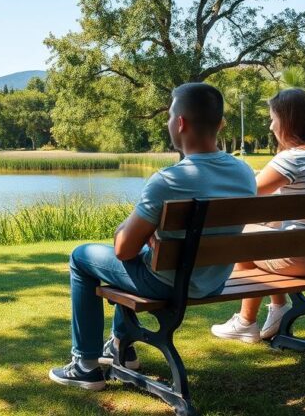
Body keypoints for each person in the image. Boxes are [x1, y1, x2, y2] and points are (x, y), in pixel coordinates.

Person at [49, 83, 256, 390]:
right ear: (220, 123)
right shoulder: (244, 173)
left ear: (181, 123)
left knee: (81, 257)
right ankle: (121, 345)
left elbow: (122, 249)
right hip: (212, 280)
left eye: (170, 115)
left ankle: (86, 365)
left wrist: (137, 234)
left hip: (169, 284)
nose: (166, 122)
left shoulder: (169, 180)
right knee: (139, 257)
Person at [211, 88, 305, 343]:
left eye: (274, 119)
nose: (271, 126)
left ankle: (246, 322)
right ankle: (278, 308)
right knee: (262, 230)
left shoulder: (293, 159)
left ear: (290, 121)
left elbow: (244, 197)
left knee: (239, 235)